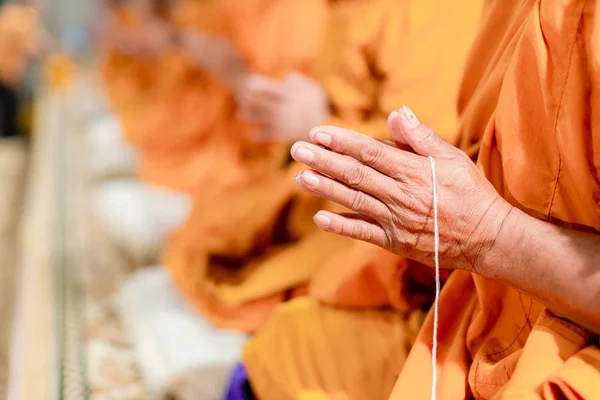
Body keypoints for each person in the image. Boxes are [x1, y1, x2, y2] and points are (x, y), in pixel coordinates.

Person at [240, 0, 600, 399]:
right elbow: (473, 149)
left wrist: (489, 234)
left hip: (565, 331)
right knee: (287, 344)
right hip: (478, 293)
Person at [165, 0, 481, 334]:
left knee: (268, 301)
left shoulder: (432, 13)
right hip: (323, 187)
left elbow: (429, 155)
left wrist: (319, 123)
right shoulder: (342, 8)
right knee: (204, 243)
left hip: (388, 225)